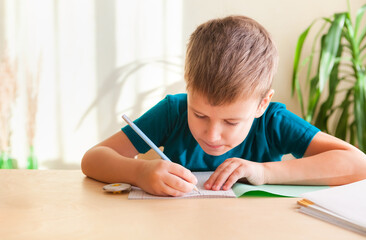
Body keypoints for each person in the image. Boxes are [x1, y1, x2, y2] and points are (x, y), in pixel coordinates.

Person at [81, 15, 366, 197]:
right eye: (200, 114)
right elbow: (93, 158)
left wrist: (264, 172)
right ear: (188, 89)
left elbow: (358, 164)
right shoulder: (172, 111)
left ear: (261, 103)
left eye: (231, 122)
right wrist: (138, 173)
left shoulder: (273, 121)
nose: (212, 134)